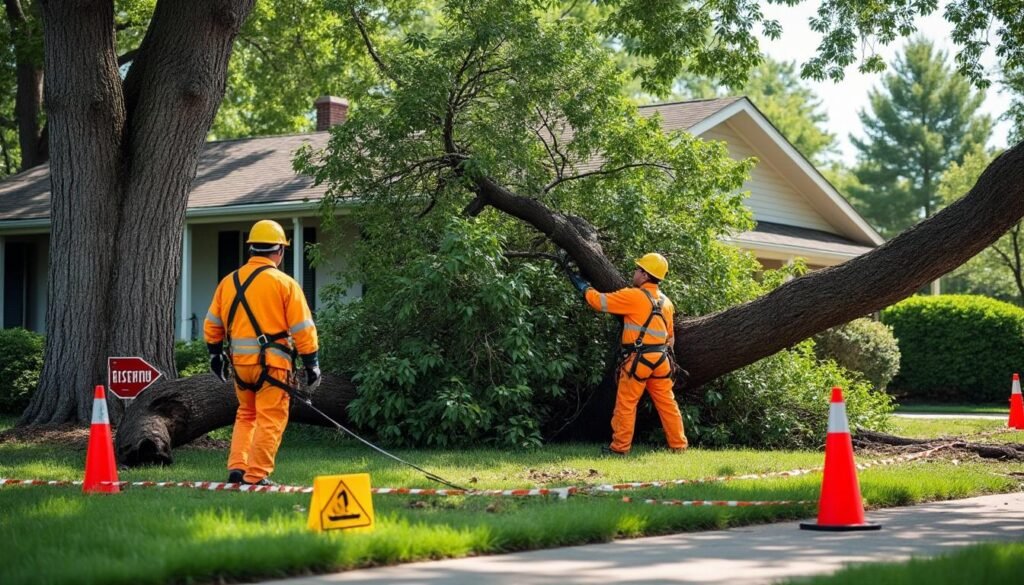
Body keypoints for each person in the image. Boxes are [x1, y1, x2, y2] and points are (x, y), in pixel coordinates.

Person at [204, 219, 320, 485]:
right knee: (271, 418)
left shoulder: (229, 282)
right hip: (273, 365)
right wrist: (312, 362)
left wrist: (214, 355)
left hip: (240, 365)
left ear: (251, 250)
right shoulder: (284, 283)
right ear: (279, 250)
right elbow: (303, 328)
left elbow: (212, 324)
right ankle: (256, 476)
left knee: (246, 414)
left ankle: (237, 468)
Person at [567, 252, 687, 455]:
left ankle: (620, 448)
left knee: (626, 404)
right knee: (667, 404)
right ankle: (679, 446)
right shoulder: (667, 303)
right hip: (661, 361)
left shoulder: (634, 296)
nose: (635, 272)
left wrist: (583, 286)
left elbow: (599, 302)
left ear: (645, 275)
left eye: (638, 269)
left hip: (638, 361)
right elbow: (670, 338)